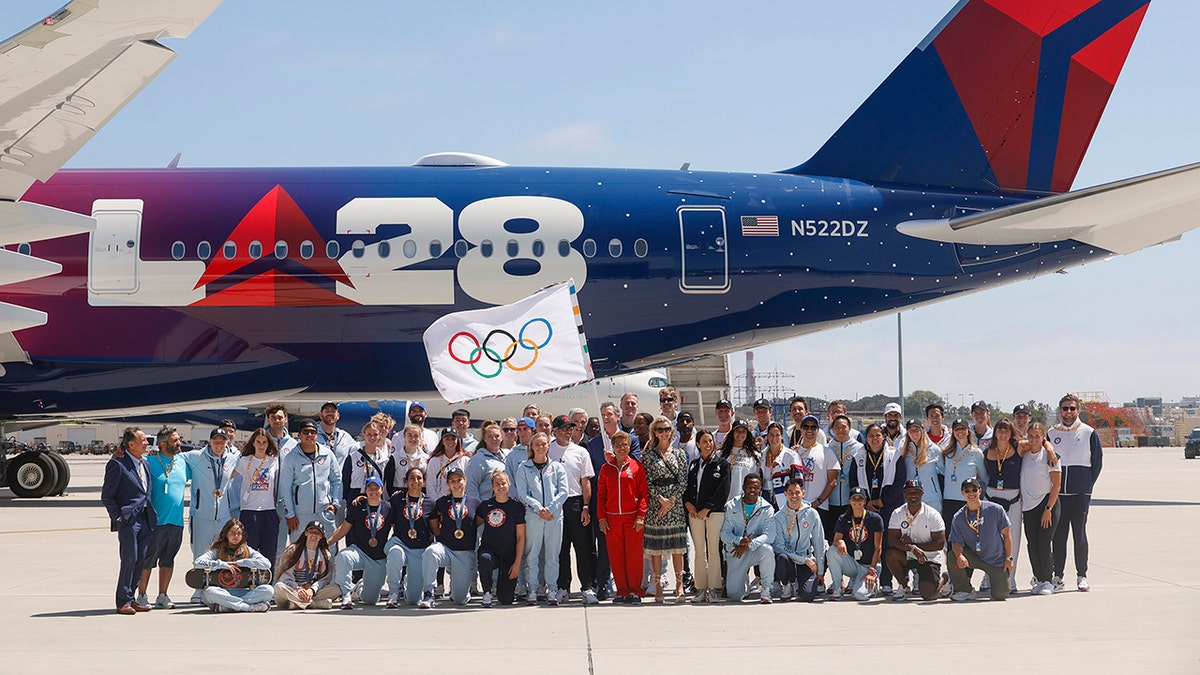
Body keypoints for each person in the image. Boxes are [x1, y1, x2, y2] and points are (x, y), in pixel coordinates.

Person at [1048, 393, 1103, 592]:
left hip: (1080, 495)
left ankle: (1082, 575)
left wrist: (1086, 486)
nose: (1068, 412)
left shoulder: (1089, 432)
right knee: (1058, 537)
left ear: (1078, 410)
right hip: (1059, 496)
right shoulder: (1051, 433)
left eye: (1072, 408)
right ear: (1060, 411)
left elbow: (1096, 463)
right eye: (1065, 408)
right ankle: (1058, 576)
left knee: (1079, 536)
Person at [587, 401, 642, 600]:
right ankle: (604, 585)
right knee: (606, 550)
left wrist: (615, 458)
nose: (606, 418)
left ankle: (632, 589)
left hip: (629, 509)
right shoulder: (594, 443)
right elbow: (593, 477)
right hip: (607, 507)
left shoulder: (632, 439)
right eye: (603, 414)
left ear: (618, 416)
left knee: (631, 554)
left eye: (610, 414)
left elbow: (636, 465)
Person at [102, 427, 156, 614]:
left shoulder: (145, 464)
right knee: (129, 558)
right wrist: (117, 517)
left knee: (140, 559)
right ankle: (122, 601)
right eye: (143, 440)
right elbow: (107, 496)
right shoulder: (117, 464)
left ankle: (132, 599)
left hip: (145, 518)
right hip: (128, 520)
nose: (147, 443)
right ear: (131, 444)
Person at [181, 427, 239, 602]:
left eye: (222, 442)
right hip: (201, 515)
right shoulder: (196, 457)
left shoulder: (233, 458)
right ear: (210, 442)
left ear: (227, 442)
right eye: (216, 441)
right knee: (200, 552)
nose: (219, 445)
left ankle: (221, 586)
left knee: (224, 552)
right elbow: (173, 458)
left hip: (223, 515)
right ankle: (199, 588)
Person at [850, 423, 907, 593]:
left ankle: (887, 581)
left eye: (878, 435)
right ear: (866, 438)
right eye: (871, 436)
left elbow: (900, 482)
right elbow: (853, 482)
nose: (874, 439)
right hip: (866, 507)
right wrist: (865, 502)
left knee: (888, 544)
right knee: (867, 543)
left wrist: (884, 501)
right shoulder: (858, 456)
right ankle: (867, 579)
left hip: (889, 507)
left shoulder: (894, 455)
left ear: (884, 437)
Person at [514, 432, 568, 605]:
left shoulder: (557, 467)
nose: (540, 447)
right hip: (533, 516)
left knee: (552, 555)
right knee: (532, 554)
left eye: (544, 444)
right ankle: (532, 589)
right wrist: (539, 509)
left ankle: (551, 588)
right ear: (531, 446)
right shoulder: (524, 467)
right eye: (537, 444)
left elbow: (563, 491)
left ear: (548, 446)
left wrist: (551, 509)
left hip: (554, 516)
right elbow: (522, 494)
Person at [549, 414, 597, 604]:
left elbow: (585, 482)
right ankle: (563, 587)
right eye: (564, 428)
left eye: (570, 428)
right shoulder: (549, 450)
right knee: (561, 549)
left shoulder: (580, 451)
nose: (568, 431)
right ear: (555, 431)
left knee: (582, 547)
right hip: (555, 503)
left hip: (576, 503)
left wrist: (586, 506)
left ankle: (587, 587)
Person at [138, 427, 187, 609]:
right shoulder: (148, 461)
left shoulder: (182, 461)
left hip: (176, 522)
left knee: (168, 560)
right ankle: (142, 594)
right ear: (163, 444)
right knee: (147, 560)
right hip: (154, 522)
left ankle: (163, 595)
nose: (179, 443)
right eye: (175, 440)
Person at [642, 416, 690, 603]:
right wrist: (660, 499)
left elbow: (684, 481)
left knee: (678, 547)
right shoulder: (649, 455)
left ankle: (679, 585)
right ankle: (658, 585)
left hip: (675, 505)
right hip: (656, 505)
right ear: (654, 432)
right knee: (657, 548)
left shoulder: (679, 454)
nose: (663, 433)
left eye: (666, 429)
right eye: (659, 429)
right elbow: (646, 481)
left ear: (672, 432)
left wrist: (670, 501)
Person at [597, 431, 649, 603]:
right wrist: (601, 518)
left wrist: (641, 516)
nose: (621, 448)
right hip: (612, 519)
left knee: (634, 556)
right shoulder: (606, 469)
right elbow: (601, 496)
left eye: (624, 445)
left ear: (629, 446)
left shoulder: (636, 467)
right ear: (613, 447)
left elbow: (643, 494)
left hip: (632, 519)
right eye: (618, 445)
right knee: (616, 556)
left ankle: (635, 591)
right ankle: (622, 591)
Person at [418, 466, 480, 607]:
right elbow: (433, 522)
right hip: (446, 548)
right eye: (452, 480)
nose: (456, 483)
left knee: (459, 599)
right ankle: (428, 592)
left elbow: (478, 522)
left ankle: (458, 588)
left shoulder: (474, 502)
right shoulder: (441, 502)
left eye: (459, 480)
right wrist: (440, 534)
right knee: (431, 551)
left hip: (464, 552)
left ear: (465, 481)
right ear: (448, 484)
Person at [328, 476, 392, 609]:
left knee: (370, 600)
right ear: (365, 490)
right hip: (360, 552)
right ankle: (346, 595)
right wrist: (328, 543)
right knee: (344, 556)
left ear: (382, 490)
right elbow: (344, 528)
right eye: (370, 488)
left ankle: (359, 589)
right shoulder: (358, 506)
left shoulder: (389, 508)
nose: (373, 491)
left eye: (377, 488)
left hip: (378, 558)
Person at [947, 477, 1014, 601]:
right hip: (975, 557)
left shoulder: (995, 509)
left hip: (996, 560)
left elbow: (1007, 534)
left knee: (1000, 595)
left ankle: (999, 582)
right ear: (962, 493)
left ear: (980, 490)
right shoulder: (958, 517)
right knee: (952, 556)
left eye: (974, 489)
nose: (971, 493)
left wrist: (1009, 558)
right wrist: (959, 555)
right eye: (967, 491)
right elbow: (955, 541)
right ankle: (966, 591)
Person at [683, 429, 730, 603]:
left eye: (710, 441)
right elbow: (688, 488)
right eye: (704, 441)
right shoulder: (694, 464)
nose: (708, 444)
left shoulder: (722, 464)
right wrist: (688, 504)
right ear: (698, 444)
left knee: (714, 551)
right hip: (694, 514)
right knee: (699, 552)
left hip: (714, 513)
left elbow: (723, 490)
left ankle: (715, 588)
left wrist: (707, 508)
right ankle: (701, 588)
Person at [278, 419, 342, 542]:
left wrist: (335, 504)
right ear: (299, 435)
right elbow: (285, 487)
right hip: (300, 514)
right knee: (298, 550)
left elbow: (337, 480)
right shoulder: (291, 458)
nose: (309, 435)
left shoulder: (327, 454)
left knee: (329, 549)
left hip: (324, 511)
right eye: (305, 432)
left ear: (317, 434)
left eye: (313, 432)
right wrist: (290, 514)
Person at [193, 518, 273, 612]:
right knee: (209, 593)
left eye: (239, 533)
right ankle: (247, 607)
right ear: (226, 534)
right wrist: (222, 564)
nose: (236, 536)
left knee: (268, 590)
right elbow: (197, 562)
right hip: (223, 592)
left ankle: (228, 607)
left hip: (244, 592)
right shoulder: (217, 550)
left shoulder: (247, 549)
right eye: (232, 533)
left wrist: (240, 563)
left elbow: (266, 564)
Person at [885, 479, 946, 601]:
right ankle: (903, 586)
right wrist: (912, 548)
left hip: (928, 557)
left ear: (922, 493)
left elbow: (939, 544)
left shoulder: (933, 514)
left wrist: (914, 546)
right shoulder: (897, 513)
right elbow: (892, 541)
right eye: (910, 492)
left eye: (917, 492)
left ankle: (944, 579)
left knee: (928, 595)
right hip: (906, 555)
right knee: (891, 555)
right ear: (904, 494)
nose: (913, 496)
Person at [1019, 423, 1062, 595]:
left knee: (1044, 544)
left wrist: (1048, 509)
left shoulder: (1050, 456)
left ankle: (1048, 580)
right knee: (1032, 545)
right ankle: (1038, 578)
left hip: (1047, 504)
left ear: (1043, 437)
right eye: (1031, 436)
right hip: (1029, 507)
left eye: (1038, 436)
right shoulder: (1025, 454)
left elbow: (1057, 485)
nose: (1034, 439)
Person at [720, 474, 775, 604]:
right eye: (749, 487)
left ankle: (766, 589)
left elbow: (770, 535)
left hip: (754, 550)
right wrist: (739, 540)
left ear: (760, 489)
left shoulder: (767, 508)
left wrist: (749, 545)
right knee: (734, 595)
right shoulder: (731, 506)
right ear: (743, 488)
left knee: (767, 550)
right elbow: (724, 533)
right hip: (736, 552)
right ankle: (743, 583)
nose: (752, 491)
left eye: (756, 488)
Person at [384, 467, 435, 608]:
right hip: (400, 543)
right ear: (406, 481)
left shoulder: (430, 503)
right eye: (412, 478)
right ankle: (393, 592)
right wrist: (363, 499)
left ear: (424, 481)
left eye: (419, 478)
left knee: (413, 600)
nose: (415, 481)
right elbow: (382, 510)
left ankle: (408, 584)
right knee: (395, 553)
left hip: (420, 549)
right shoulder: (397, 498)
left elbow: (435, 528)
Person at [768, 478, 825, 602]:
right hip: (790, 560)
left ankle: (801, 584)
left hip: (806, 561)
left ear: (803, 493)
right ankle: (788, 584)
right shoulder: (778, 517)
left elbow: (819, 543)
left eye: (797, 492)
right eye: (790, 492)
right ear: (785, 494)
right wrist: (804, 559)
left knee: (808, 595)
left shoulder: (812, 514)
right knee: (781, 558)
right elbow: (779, 547)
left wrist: (820, 571)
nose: (794, 496)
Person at [231, 428, 281, 568]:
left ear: (268, 444)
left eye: (264, 442)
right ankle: (249, 585)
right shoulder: (244, 461)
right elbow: (229, 476)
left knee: (269, 553)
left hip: (269, 511)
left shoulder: (273, 461)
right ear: (253, 443)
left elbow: (276, 487)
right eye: (258, 442)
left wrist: (277, 510)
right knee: (249, 552)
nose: (261, 445)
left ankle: (267, 585)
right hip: (249, 511)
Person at [476, 470, 526, 607]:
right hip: (490, 550)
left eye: (503, 483)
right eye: (497, 484)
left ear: (509, 485)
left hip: (509, 555)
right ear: (492, 486)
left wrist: (517, 564)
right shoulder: (485, 506)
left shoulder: (516, 507)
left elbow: (521, 537)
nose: (501, 486)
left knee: (506, 600)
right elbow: (473, 524)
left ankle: (502, 589)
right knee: (484, 559)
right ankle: (487, 592)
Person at [985, 418, 1023, 592]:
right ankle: (988, 578)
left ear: (1011, 433)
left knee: (1012, 539)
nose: (1002, 434)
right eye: (999, 430)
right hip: (991, 497)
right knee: (990, 539)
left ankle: (1011, 579)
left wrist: (1050, 449)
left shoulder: (1019, 448)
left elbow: (1040, 441)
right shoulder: (987, 452)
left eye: (1006, 431)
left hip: (1013, 499)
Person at [827, 487, 885, 601]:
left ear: (864, 501)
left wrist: (871, 570)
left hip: (869, 565)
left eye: (860, 499)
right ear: (849, 501)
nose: (857, 502)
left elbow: (878, 549)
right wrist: (840, 542)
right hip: (853, 563)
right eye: (854, 499)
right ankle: (838, 587)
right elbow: (835, 540)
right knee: (832, 551)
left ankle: (872, 585)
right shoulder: (843, 518)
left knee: (860, 596)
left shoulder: (875, 519)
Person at [791, 413, 841, 542]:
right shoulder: (792, 453)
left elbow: (833, 481)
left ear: (817, 430)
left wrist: (818, 502)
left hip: (819, 508)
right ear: (801, 429)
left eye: (813, 427)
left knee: (819, 544)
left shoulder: (827, 452)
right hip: (796, 506)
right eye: (806, 427)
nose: (809, 430)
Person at [274, 520, 340, 610]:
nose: (314, 535)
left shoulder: (325, 555)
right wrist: (297, 589)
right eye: (311, 532)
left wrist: (312, 590)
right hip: (293, 590)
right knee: (279, 587)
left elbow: (325, 579)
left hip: (312, 593)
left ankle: (297, 604)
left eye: (317, 533)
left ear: (321, 536)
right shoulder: (293, 550)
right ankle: (314, 604)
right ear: (306, 533)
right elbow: (284, 575)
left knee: (337, 589)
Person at [940, 418, 988, 530]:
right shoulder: (947, 452)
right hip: (949, 500)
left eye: (963, 428)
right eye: (957, 429)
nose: (960, 431)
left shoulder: (976, 453)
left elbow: (985, 477)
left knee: (969, 536)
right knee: (951, 536)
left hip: (968, 500)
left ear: (968, 431)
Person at [824, 415, 864, 546]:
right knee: (832, 537)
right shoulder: (826, 448)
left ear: (849, 428)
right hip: (831, 501)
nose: (840, 430)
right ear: (832, 429)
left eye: (843, 427)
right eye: (837, 427)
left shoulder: (859, 448)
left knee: (852, 537)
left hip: (851, 501)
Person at [900, 419, 944, 514]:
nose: (914, 433)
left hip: (932, 497)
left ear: (922, 431)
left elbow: (943, 471)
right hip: (911, 496)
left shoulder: (934, 449)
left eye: (917, 430)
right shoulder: (904, 451)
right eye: (911, 430)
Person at [342, 421, 388, 504]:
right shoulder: (354, 456)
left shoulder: (383, 459)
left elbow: (385, 481)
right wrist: (347, 497)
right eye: (369, 434)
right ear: (364, 434)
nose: (372, 437)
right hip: (356, 494)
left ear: (379, 435)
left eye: (375, 435)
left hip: (375, 495)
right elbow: (346, 478)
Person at [759, 421, 800, 511]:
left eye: (777, 435)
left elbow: (798, 481)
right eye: (771, 435)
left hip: (784, 499)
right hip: (764, 498)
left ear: (782, 436)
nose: (774, 438)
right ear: (767, 436)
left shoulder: (791, 456)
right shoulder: (761, 456)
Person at [718, 419, 759, 501]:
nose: (740, 434)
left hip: (746, 501)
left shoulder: (754, 455)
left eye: (743, 431)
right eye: (737, 431)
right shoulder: (721, 454)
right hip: (725, 501)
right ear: (732, 432)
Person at [384, 423, 429, 496]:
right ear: (404, 436)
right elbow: (388, 482)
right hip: (399, 494)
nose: (413, 439)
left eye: (416, 436)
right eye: (410, 435)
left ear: (420, 438)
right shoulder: (395, 458)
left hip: (420, 495)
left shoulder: (426, 458)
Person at [466, 422, 507, 502]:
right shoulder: (478, 459)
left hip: (506, 505)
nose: (494, 439)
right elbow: (471, 485)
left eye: (497, 436)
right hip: (486, 506)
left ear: (502, 437)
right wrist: (477, 507)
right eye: (490, 436)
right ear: (484, 439)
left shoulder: (508, 455)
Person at [427, 428, 470, 500]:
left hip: (460, 500)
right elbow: (430, 484)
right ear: (442, 441)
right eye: (447, 439)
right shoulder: (434, 461)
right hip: (441, 500)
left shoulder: (465, 460)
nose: (450, 442)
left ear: (457, 441)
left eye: (453, 439)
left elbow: (469, 483)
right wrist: (436, 503)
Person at [317, 401, 355, 469]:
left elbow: (359, 451)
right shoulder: (311, 436)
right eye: (326, 411)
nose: (330, 413)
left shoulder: (345, 437)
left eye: (333, 411)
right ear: (321, 415)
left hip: (339, 479)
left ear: (338, 416)